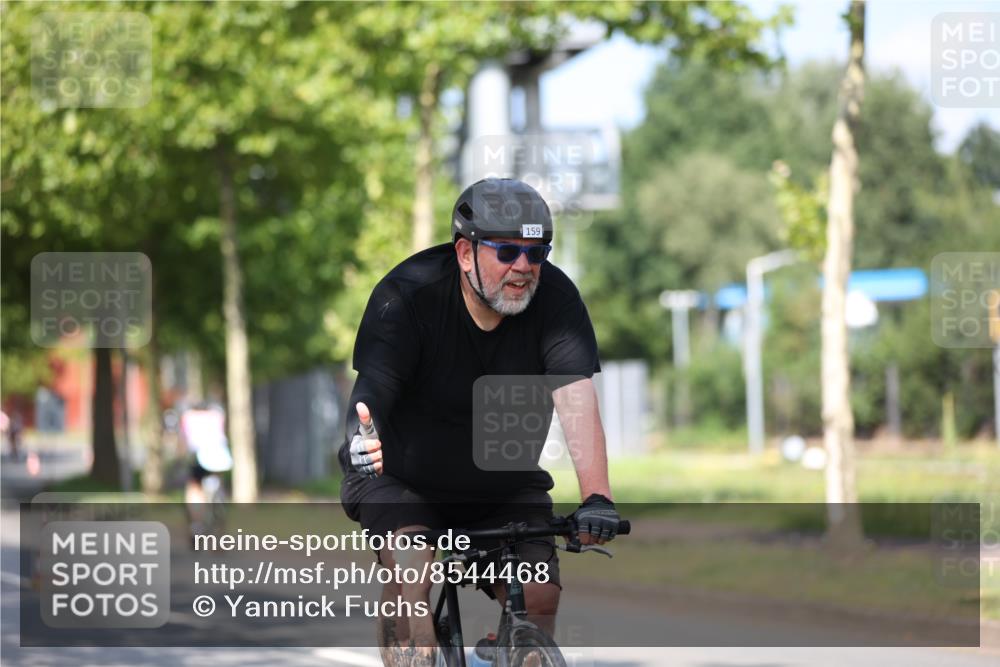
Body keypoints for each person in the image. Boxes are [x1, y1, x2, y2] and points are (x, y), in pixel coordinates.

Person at [339, 178, 621, 665]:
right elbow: (373, 391)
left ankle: (515, 646)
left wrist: (597, 497)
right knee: (412, 583)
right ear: (466, 253)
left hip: (501, 484)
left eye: (537, 253)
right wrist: (363, 443)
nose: (524, 267)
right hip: (403, 479)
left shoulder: (556, 300)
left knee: (539, 597)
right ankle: (410, 638)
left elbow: (575, 397)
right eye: (508, 251)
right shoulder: (408, 295)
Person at [180, 401, 233, 531]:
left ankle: (196, 525)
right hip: (220, 457)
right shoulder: (217, 415)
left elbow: (184, 441)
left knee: (194, 487)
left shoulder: (188, 416)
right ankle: (218, 499)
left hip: (199, 456)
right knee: (217, 481)